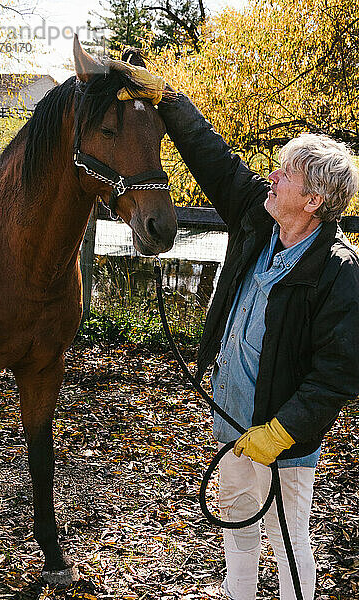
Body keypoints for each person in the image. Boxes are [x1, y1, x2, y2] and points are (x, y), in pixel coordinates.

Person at [116, 65, 359, 600]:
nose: (271, 177)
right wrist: (170, 101)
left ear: (313, 200)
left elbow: (337, 376)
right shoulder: (258, 218)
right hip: (231, 424)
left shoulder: (340, 273)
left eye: (284, 174)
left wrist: (280, 433)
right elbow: (214, 158)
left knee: (288, 539)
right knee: (237, 533)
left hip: (282, 443)